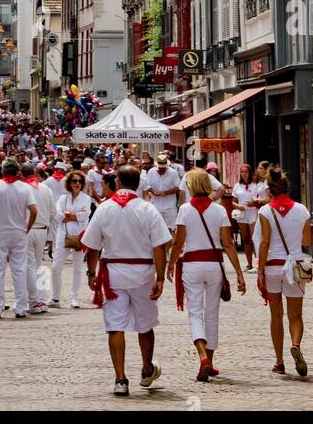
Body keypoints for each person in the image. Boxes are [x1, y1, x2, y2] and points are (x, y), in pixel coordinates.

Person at [80, 165, 171, 397]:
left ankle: (120, 379)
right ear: (139, 183)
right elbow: (160, 246)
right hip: (143, 273)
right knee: (145, 323)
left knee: (115, 325)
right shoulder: (148, 209)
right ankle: (147, 368)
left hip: (114, 274)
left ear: (118, 182)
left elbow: (92, 245)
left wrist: (92, 273)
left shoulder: (104, 208)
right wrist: (160, 278)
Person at [168, 168, 246, 382]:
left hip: (192, 265)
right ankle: (209, 360)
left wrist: (171, 264)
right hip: (214, 265)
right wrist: (239, 272)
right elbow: (229, 244)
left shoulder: (184, 210)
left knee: (195, 313)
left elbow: (178, 242)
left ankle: (203, 357)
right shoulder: (219, 211)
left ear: (192, 186)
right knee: (212, 314)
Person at [257, 166, 312, 377]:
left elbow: (264, 242)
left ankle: (279, 361)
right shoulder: (302, 210)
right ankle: (296, 344)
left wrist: (260, 270)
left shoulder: (265, 211)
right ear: (288, 188)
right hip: (295, 267)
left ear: (270, 191)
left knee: (276, 314)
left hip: (272, 265)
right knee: (296, 315)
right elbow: (307, 241)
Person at [0, 157, 37, 319]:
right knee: (19, 271)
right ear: (18, 171)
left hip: (0, 232)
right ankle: (20, 307)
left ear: (3, 171)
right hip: (19, 232)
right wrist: (27, 227)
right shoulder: (25, 188)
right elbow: (34, 211)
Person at [51, 170, 92, 309]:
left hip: (79, 236)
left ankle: (74, 297)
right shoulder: (63, 198)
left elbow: (85, 216)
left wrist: (69, 215)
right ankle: (55, 298)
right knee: (56, 267)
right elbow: (57, 215)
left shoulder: (86, 198)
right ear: (69, 183)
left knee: (77, 268)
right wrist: (74, 215)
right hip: (63, 235)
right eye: (74, 181)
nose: (77, 184)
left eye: (80, 181)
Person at [23, 162, 56, 314]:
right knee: (38, 265)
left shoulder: (23, 188)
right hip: (42, 230)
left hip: (27, 229)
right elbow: (53, 212)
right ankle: (38, 298)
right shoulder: (46, 189)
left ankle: (33, 301)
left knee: (30, 266)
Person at [143, 153, 184, 232]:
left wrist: (165, 193)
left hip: (170, 206)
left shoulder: (173, 173)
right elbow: (147, 185)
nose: (161, 169)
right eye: (160, 167)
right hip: (156, 205)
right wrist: (153, 191)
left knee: (170, 230)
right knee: (156, 229)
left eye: (163, 168)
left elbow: (178, 187)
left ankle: (169, 244)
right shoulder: (151, 172)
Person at [231, 163, 258, 270]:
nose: (244, 174)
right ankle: (249, 263)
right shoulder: (238, 186)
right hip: (242, 215)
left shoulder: (255, 185)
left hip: (253, 213)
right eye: (242, 172)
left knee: (255, 239)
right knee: (245, 239)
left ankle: (257, 262)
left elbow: (260, 200)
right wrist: (238, 206)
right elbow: (233, 201)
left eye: (246, 172)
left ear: (250, 173)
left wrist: (254, 204)